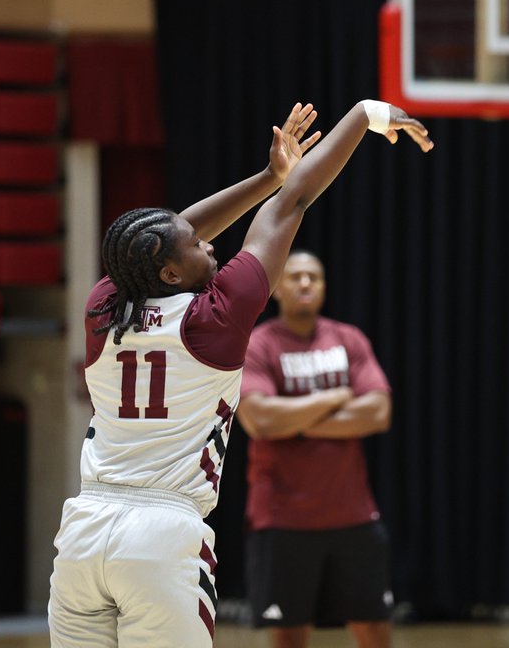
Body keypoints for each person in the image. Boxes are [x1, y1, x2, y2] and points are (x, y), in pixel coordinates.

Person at [48, 100, 432, 648]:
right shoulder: (215, 318)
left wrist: (267, 175)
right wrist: (365, 116)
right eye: (198, 249)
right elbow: (293, 202)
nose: (210, 244)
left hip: (84, 530)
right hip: (160, 533)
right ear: (170, 272)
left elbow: (166, 236)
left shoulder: (103, 305)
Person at [236, 250, 394, 648]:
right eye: (295, 277)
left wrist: (298, 423)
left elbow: (377, 412)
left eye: (314, 277)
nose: (305, 284)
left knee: (374, 630)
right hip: (282, 519)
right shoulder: (257, 344)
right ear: (277, 289)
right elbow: (260, 420)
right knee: (289, 637)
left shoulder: (348, 338)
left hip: (353, 514)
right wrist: (336, 397)